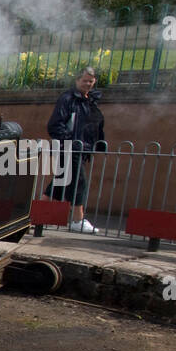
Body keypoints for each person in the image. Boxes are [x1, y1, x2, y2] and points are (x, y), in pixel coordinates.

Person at [45, 67, 105, 234]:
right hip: (70, 148)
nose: (87, 84)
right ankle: (77, 220)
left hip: (81, 148)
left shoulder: (89, 100)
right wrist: (69, 141)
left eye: (91, 82)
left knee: (60, 181)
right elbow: (55, 124)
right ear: (77, 80)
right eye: (85, 80)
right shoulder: (68, 99)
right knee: (79, 182)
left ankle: (36, 214)